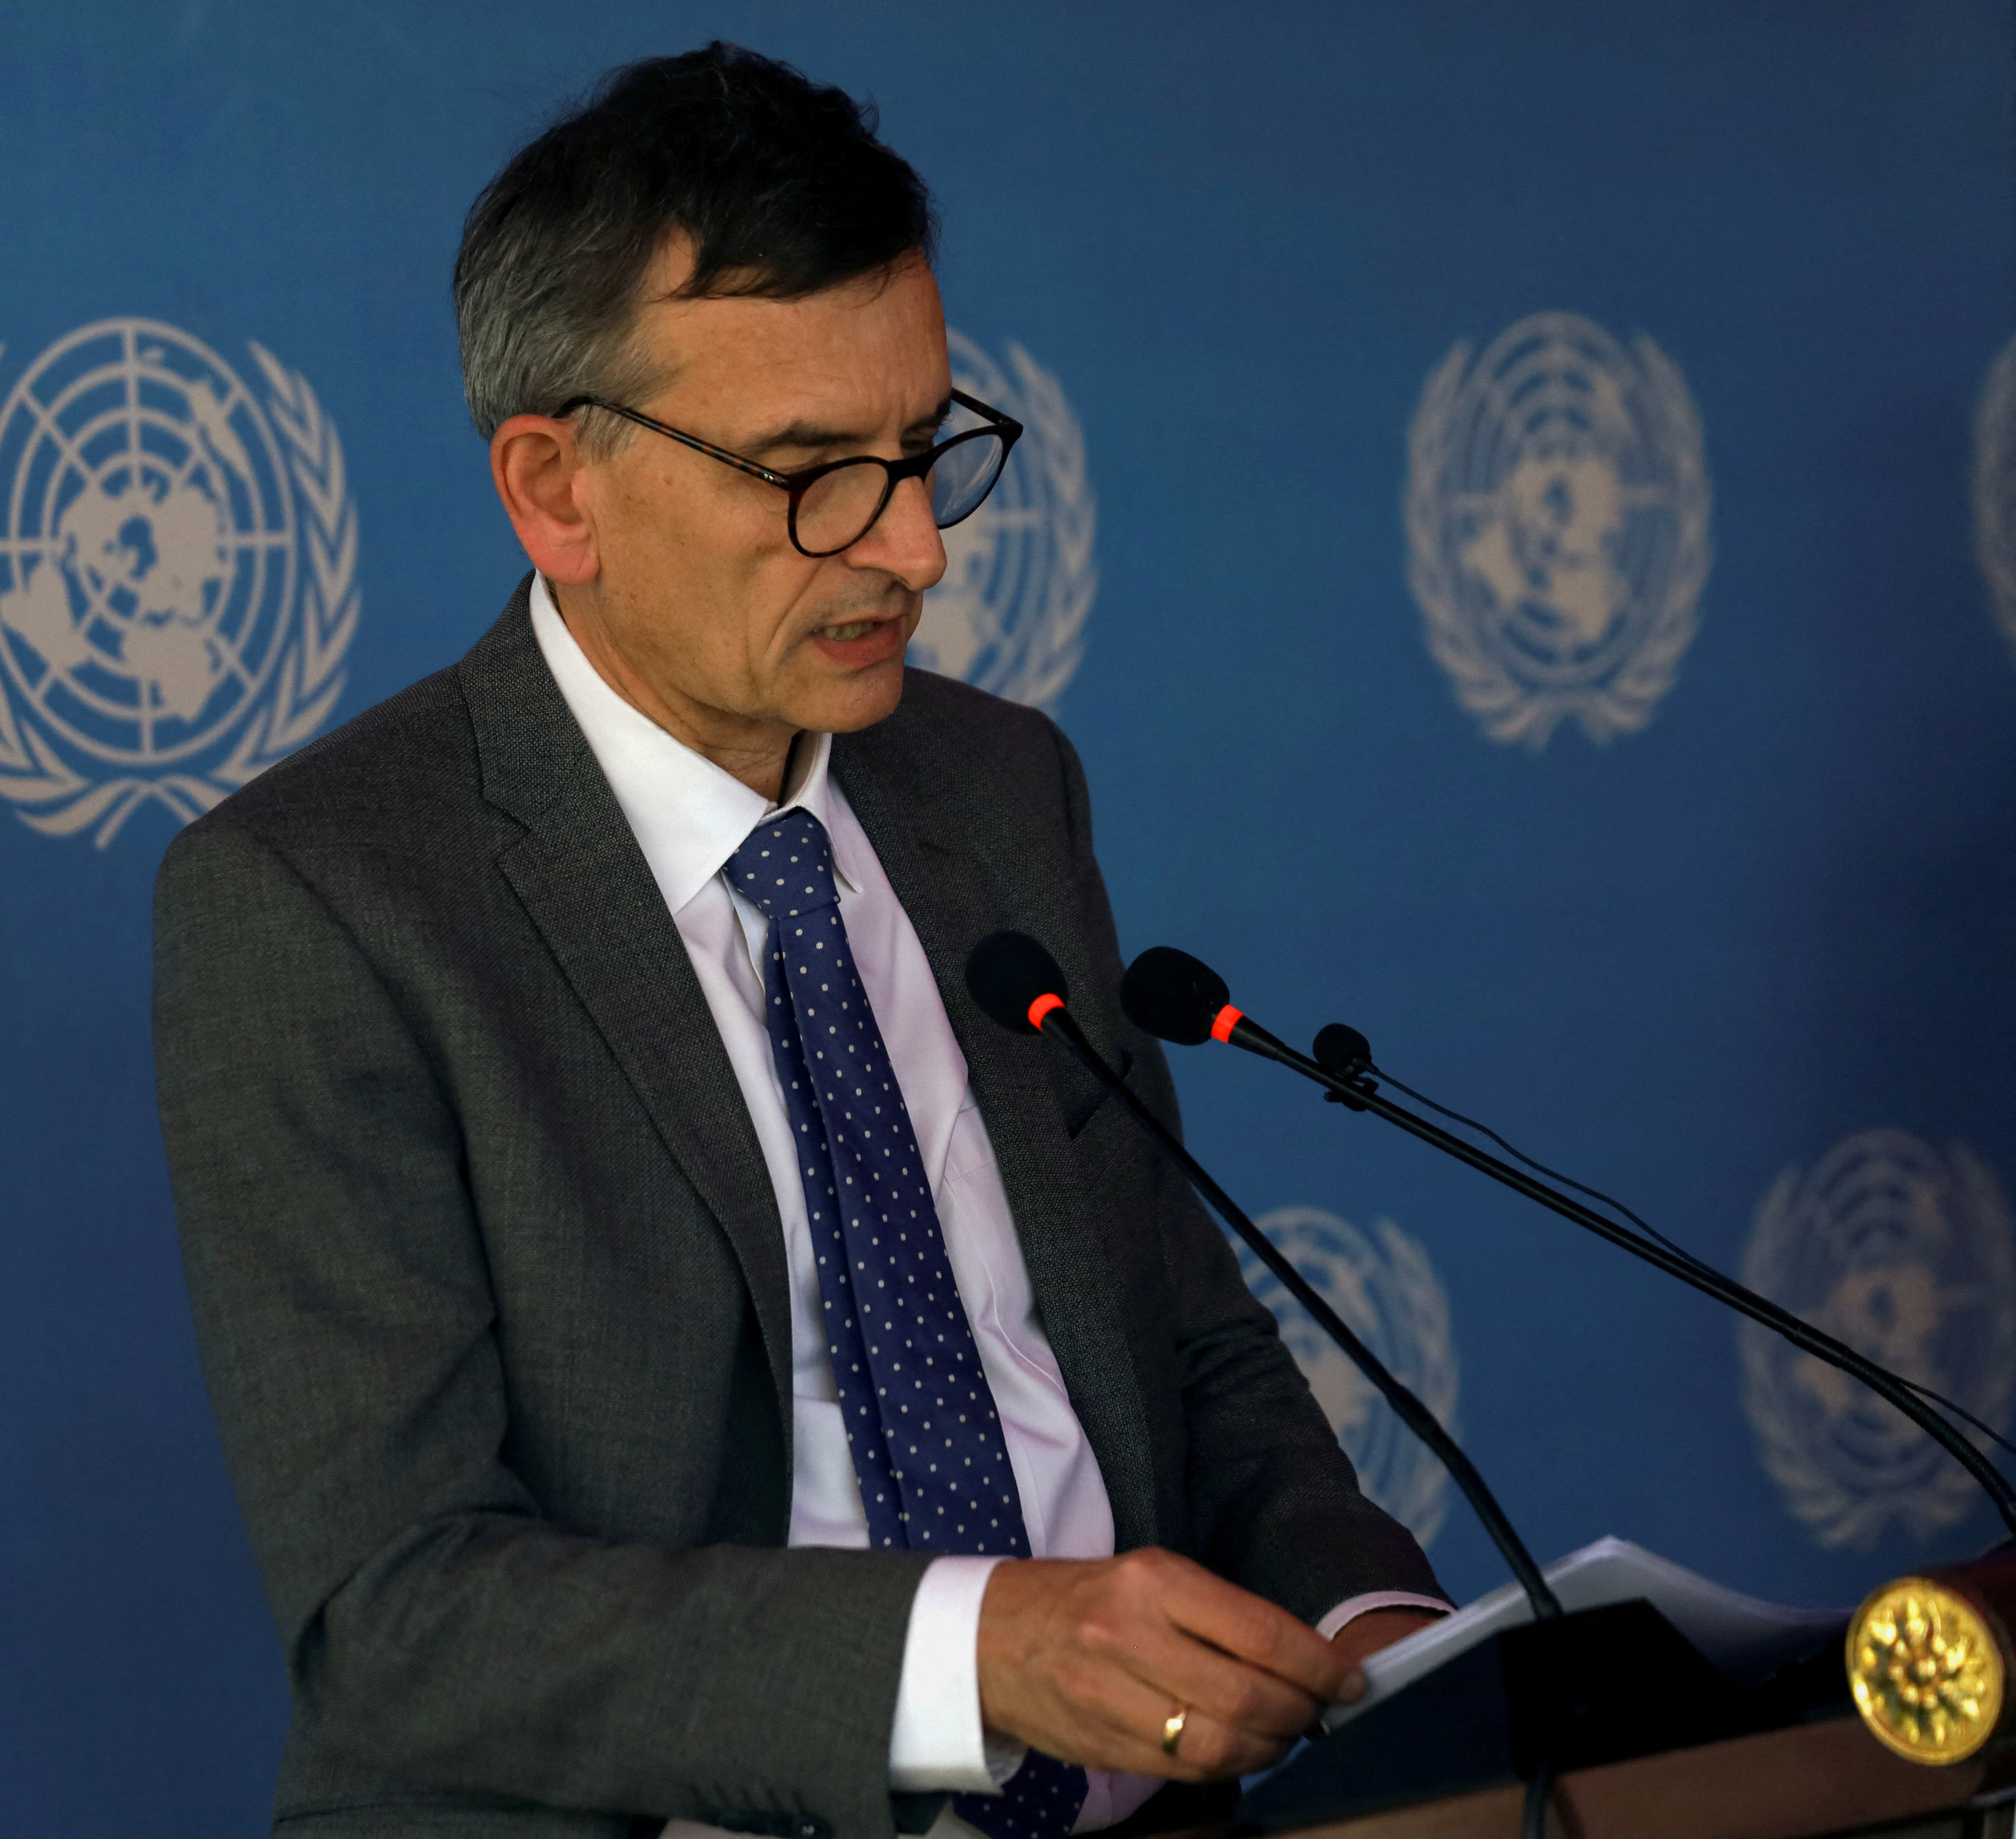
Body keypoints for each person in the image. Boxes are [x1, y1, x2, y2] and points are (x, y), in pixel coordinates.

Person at [153, 44, 1449, 1839]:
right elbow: (401, 1616)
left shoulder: (999, 788)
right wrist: (970, 1649)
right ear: (557, 489)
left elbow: (1183, 1342)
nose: (910, 547)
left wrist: (1372, 1627)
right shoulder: (324, 900)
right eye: (808, 473)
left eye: (921, 448)